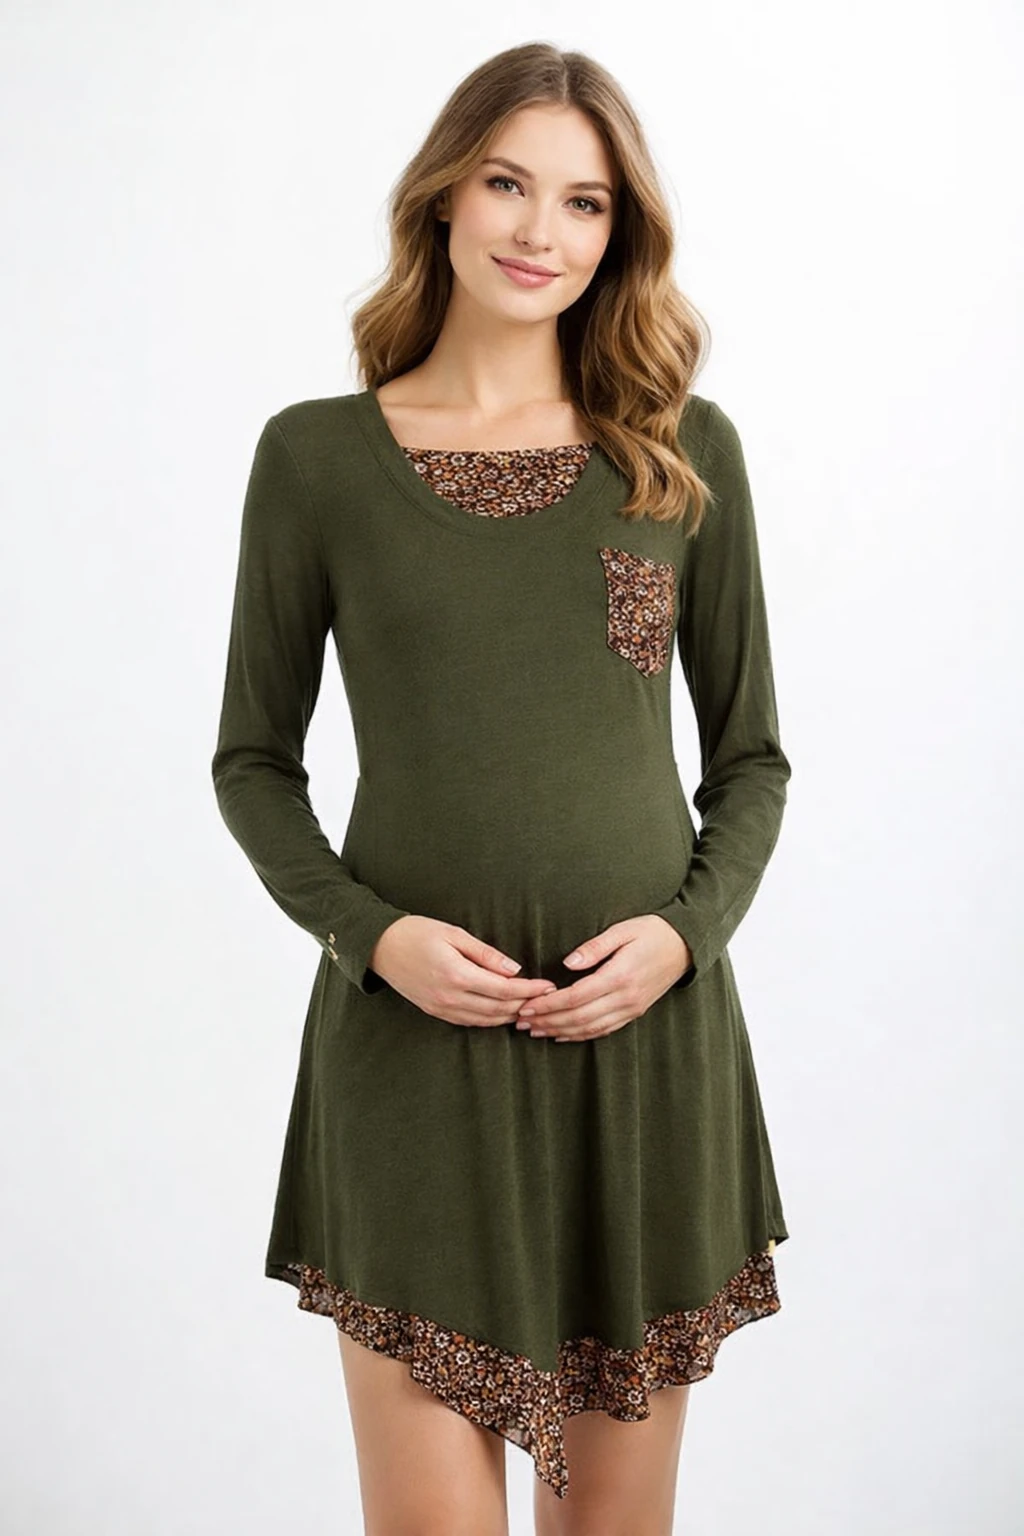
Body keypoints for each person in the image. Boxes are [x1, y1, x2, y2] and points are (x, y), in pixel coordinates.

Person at [211, 40, 792, 1536]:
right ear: (444, 197)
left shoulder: (679, 455)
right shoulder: (318, 461)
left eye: (585, 202)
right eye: (507, 184)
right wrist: (374, 937)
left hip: (640, 1061)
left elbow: (750, 761)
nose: (542, 232)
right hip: (412, 1069)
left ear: (619, 232)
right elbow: (253, 764)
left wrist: (683, 939)